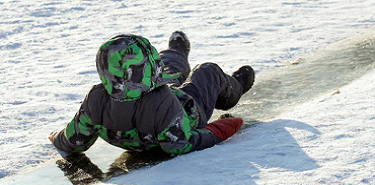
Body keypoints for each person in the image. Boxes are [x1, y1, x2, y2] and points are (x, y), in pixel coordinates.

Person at [49, 31, 255, 157]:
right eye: (149, 63)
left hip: (155, 102)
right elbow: (180, 144)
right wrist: (219, 129)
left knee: (168, 71)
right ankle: (235, 86)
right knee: (207, 72)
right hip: (188, 110)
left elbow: (75, 140)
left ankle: (176, 50)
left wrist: (57, 138)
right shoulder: (162, 103)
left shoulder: (96, 98)